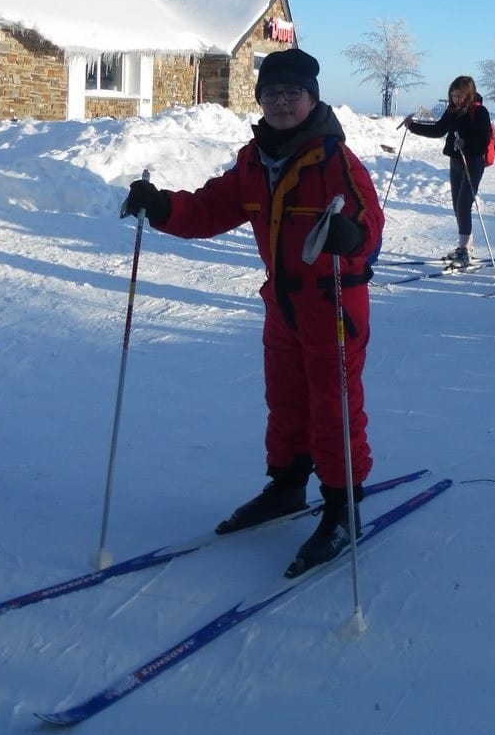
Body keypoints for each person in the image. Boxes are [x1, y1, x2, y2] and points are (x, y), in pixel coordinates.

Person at [121, 48, 384, 575]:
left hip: (332, 303)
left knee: (333, 405)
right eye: (272, 94)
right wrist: (163, 205)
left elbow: (370, 227)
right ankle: (286, 487)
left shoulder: (335, 160)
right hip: (282, 305)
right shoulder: (253, 161)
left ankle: (342, 508)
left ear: (312, 99)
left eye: (293, 94)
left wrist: (350, 235)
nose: (282, 103)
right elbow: (208, 209)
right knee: (285, 402)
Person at [403, 76, 492, 266]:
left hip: (473, 162)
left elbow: (483, 140)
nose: (456, 100)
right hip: (456, 161)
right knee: (457, 205)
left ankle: (464, 250)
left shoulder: (480, 112)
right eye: (453, 96)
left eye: (460, 96)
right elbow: (438, 130)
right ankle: (466, 246)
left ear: (469, 94)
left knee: (463, 204)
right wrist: (413, 127)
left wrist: (466, 143)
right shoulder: (452, 111)